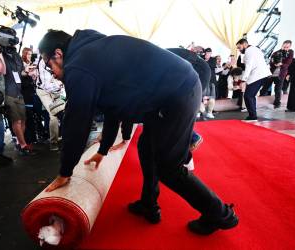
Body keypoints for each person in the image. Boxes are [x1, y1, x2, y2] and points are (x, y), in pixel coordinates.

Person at [39, 29, 238, 235]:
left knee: (170, 168)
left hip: (177, 93)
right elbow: (112, 107)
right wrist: (103, 149)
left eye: (48, 64)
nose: (51, 71)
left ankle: (221, 215)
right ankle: (148, 204)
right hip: (170, 93)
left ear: (58, 54)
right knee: (146, 146)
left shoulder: (78, 67)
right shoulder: (91, 51)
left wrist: (65, 172)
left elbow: (76, 123)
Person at [0, 35, 35, 156]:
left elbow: (20, 72)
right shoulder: (0, 56)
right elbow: (3, 71)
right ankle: (23, 145)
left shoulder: (16, 56)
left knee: (23, 120)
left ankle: (20, 142)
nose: (12, 45)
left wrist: (27, 71)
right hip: (8, 93)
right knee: (17, 121)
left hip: (19, 93)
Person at [236, 39, 271, 120]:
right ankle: (253, 115)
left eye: (239, 47)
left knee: (248, 96)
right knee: (251, 96)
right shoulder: (255, 49)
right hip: (262, 75)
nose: (239, 49)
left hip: (257, 75)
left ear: (244, 44)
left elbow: (248, 67)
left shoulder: (248, 51)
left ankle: (252, 116)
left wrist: (243, 80)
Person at [36, 54, 64, 151]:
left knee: (65, 112)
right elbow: (47, 86)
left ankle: (65, 136)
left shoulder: (61, 58)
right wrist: (61, 83)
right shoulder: (43, 62)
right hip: (44, 91)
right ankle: (53, 142)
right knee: (53, 115)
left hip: (56, 91)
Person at [261, 40, 294, 108]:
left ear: (290, 47)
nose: (285, 48)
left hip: (281, 74)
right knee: (265, 87)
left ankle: (277, 103)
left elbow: (288, 63)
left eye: (287, 47)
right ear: (282, 45)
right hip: (272, 73)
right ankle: (259, 100)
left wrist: (281, 64)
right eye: (284, 46)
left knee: (278, 89)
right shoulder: (276, 53)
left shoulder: (290, 52)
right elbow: (271, 62)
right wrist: (275, 64)